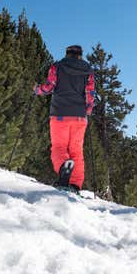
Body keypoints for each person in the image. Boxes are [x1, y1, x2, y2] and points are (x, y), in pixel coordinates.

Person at [34, 45, 95, 193]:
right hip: (79, 117)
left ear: (67, 54)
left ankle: (63, 167)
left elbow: (49, 87)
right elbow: (90, 93)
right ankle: (74, 184)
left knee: (59, 146)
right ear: (80, 55)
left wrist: (37, 90)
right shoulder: (88, 71)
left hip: (59, 114)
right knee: (77, 150)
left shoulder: (57, 67)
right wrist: (87, 111)